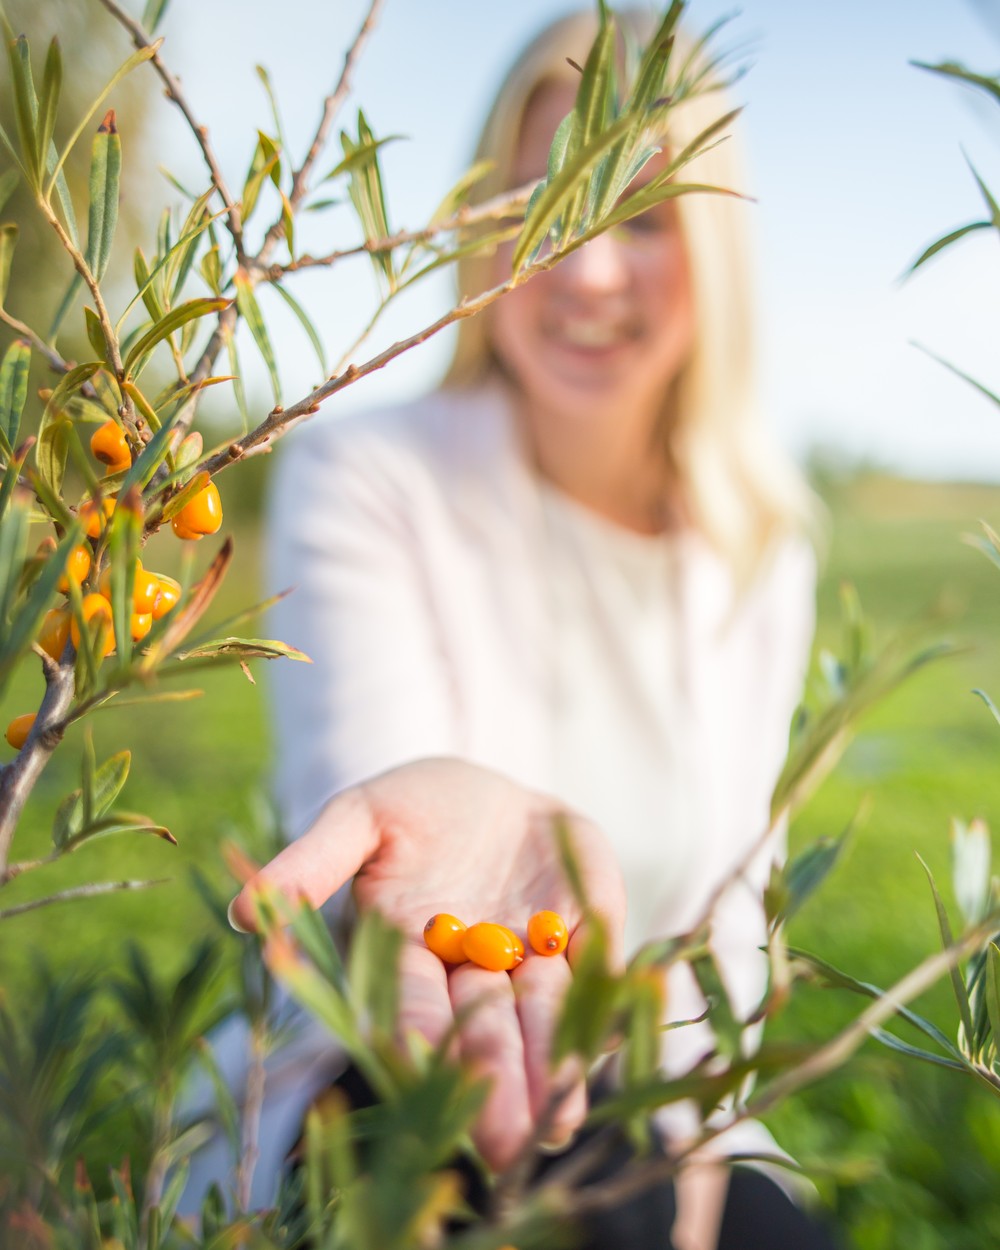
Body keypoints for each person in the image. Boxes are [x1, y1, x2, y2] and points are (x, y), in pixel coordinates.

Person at [224, 8, 838, 1248]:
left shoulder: (761, 549)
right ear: (479, 226)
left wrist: (701, 1178)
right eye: (546, 201)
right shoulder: (366, 473)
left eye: (647, 216)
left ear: (715, 251)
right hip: (384, 1086)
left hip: (655, 1110)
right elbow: (362, 780)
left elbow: (725, 926)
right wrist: (424, 813)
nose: (590, 268)